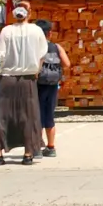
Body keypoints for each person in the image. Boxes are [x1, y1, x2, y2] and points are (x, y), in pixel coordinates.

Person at [0, 1, 47, 164]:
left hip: (7, 78)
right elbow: (42, 54)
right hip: (28, 78)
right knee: (28, 116)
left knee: (2, 115)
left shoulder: (6, 31)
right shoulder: (36, 30)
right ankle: (28, 153)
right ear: (28, 13)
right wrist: (37, 71)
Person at [36, 18, 68, 158]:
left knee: (36, 115)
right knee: (49, 115)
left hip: (37, 85)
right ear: (49, 33)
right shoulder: (56, 47)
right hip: (52, 85)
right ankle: (51, 147)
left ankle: (36, 147)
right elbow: (67, 63)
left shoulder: (35, 48)